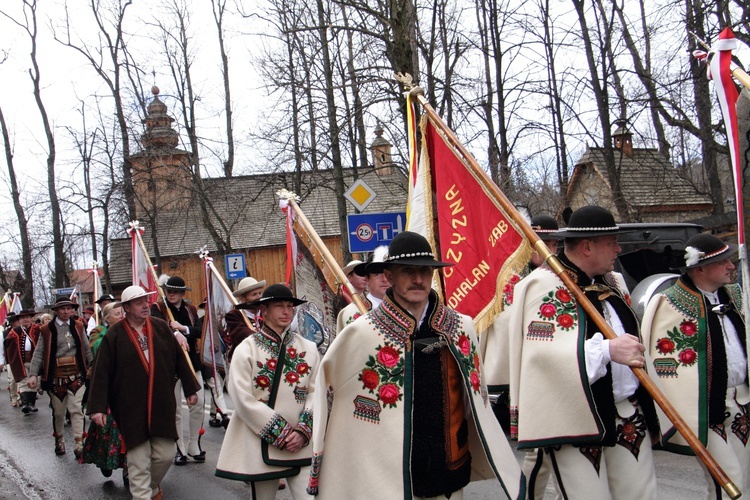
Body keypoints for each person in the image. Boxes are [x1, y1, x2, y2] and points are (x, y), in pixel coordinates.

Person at [308, 231, 524, 499]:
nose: (418, 279)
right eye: (408, 271)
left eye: (425, 270)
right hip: (390, 478)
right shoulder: (362, 333)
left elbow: (474, 401)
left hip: (449, 471)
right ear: (389, 275)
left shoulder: (461, 327)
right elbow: (329, 393)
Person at [508, 205, 661, 499]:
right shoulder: (543, 285)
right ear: (587, 246)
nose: (618, 249)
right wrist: (606, 350)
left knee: (641, 495)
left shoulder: (612, 282)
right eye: (611, 243)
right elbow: (541, 355)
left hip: (627, 414)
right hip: (575, 419)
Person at [642, 233, 749, 498]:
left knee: (745, 480)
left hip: (743, 402)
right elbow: (663, 364)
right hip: (705, 408)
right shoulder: (668, 303)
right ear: (699, 268)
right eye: (723, 261)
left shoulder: (735, 295)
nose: (731, 265)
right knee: (728, 481)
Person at [88, 286, 200, 500]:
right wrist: (98, 407)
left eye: (146, 301)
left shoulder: (160, 327)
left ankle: (151, 486)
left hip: (161, 404)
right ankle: (142, 494)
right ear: (127, 307)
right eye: (138, 302)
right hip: (130, 407)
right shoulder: (115, 335)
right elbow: (101, 372)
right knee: (138, 462)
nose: (145, 305)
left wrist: (190, 387)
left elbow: (179, 359)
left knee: (165, 455)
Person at [215, 284, 320, 500]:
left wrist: (302, 431)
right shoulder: (247, 348)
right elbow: (242, 398)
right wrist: (281, 433)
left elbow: (316, 392)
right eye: (279, 306)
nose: (286, 312)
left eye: (290, 306)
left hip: (301, 443)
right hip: (260, 439)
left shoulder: (308, 348)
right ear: (264, 310)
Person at [481, 214, 559, 498]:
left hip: (561, 367)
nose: (550, 250)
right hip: (527, 372)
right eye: (544, 243)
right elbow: (499, 324)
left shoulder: (562, 276)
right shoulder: (509, 278)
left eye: (554, 243)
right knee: (539, 449)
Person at [28, 297, 94, 457]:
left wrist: (92, 366)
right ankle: (59, 440)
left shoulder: (78, 326)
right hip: (55, 378)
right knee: (58, 413)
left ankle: (79, 443)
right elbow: (38, 354)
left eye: (69, 308)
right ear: (56, 311)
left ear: (72, 310)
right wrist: (33, 374)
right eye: (63, 309)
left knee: (76, 410)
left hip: (76, 376)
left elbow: (86, 348)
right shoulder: (46, 329)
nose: (66, 311)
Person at [150, 276, 205, 465]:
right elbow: (156, 327)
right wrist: (174, 334)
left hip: (191, 363)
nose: (171, 294)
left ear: (183, 293)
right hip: (170, 365)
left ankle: (193, 445)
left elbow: (200, 330)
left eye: (175, 291)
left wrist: (183, 329)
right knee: (175, 410)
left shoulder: (190, 309)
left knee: (199, 404)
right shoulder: (157, 308)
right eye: (169, 290)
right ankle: (179, 449)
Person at [81, 301, 127, 482]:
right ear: (107, 318)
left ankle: (128, 468)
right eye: (117, 313)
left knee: (129, 432)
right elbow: (97, 348)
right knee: (107, 430)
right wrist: (114, 333)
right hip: (108, 391)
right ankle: (105, 462)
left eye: (123, 312)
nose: (121, 316)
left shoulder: (132, 330)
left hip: (128, 390)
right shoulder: (98, 333)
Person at [335, 246, 389, 335]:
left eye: (388, 274)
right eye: (377, 274)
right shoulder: (352, 312)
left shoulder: (407, 308)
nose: (385, 279)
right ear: (367, 279)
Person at [4, 309, 40, 414]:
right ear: (19, 320)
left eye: (27, 317)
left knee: (34, 381)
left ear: (31, 318)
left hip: (35, 361)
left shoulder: (38, 330)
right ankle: (25, 403)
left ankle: (31, 404)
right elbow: (8, 345)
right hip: (21, 361)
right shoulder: (15, 331)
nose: (25, 319)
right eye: (23, 318)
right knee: (24, 382)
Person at [224, 276, 266, 361]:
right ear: (243, 299)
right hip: (244, 359)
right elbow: (240, 334)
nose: (259, 297)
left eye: (260, 293)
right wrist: (264, 339)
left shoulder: (266, 312)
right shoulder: (234, 315)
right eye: (254, 294)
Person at [3, 312, 22, 408]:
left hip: (21, 359)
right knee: (13, 380)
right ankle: (14, 397)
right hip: (10, 359)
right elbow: (3, 347)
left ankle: (20, 398)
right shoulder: (6, 333)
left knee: (21, 379)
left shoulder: (22, 331)